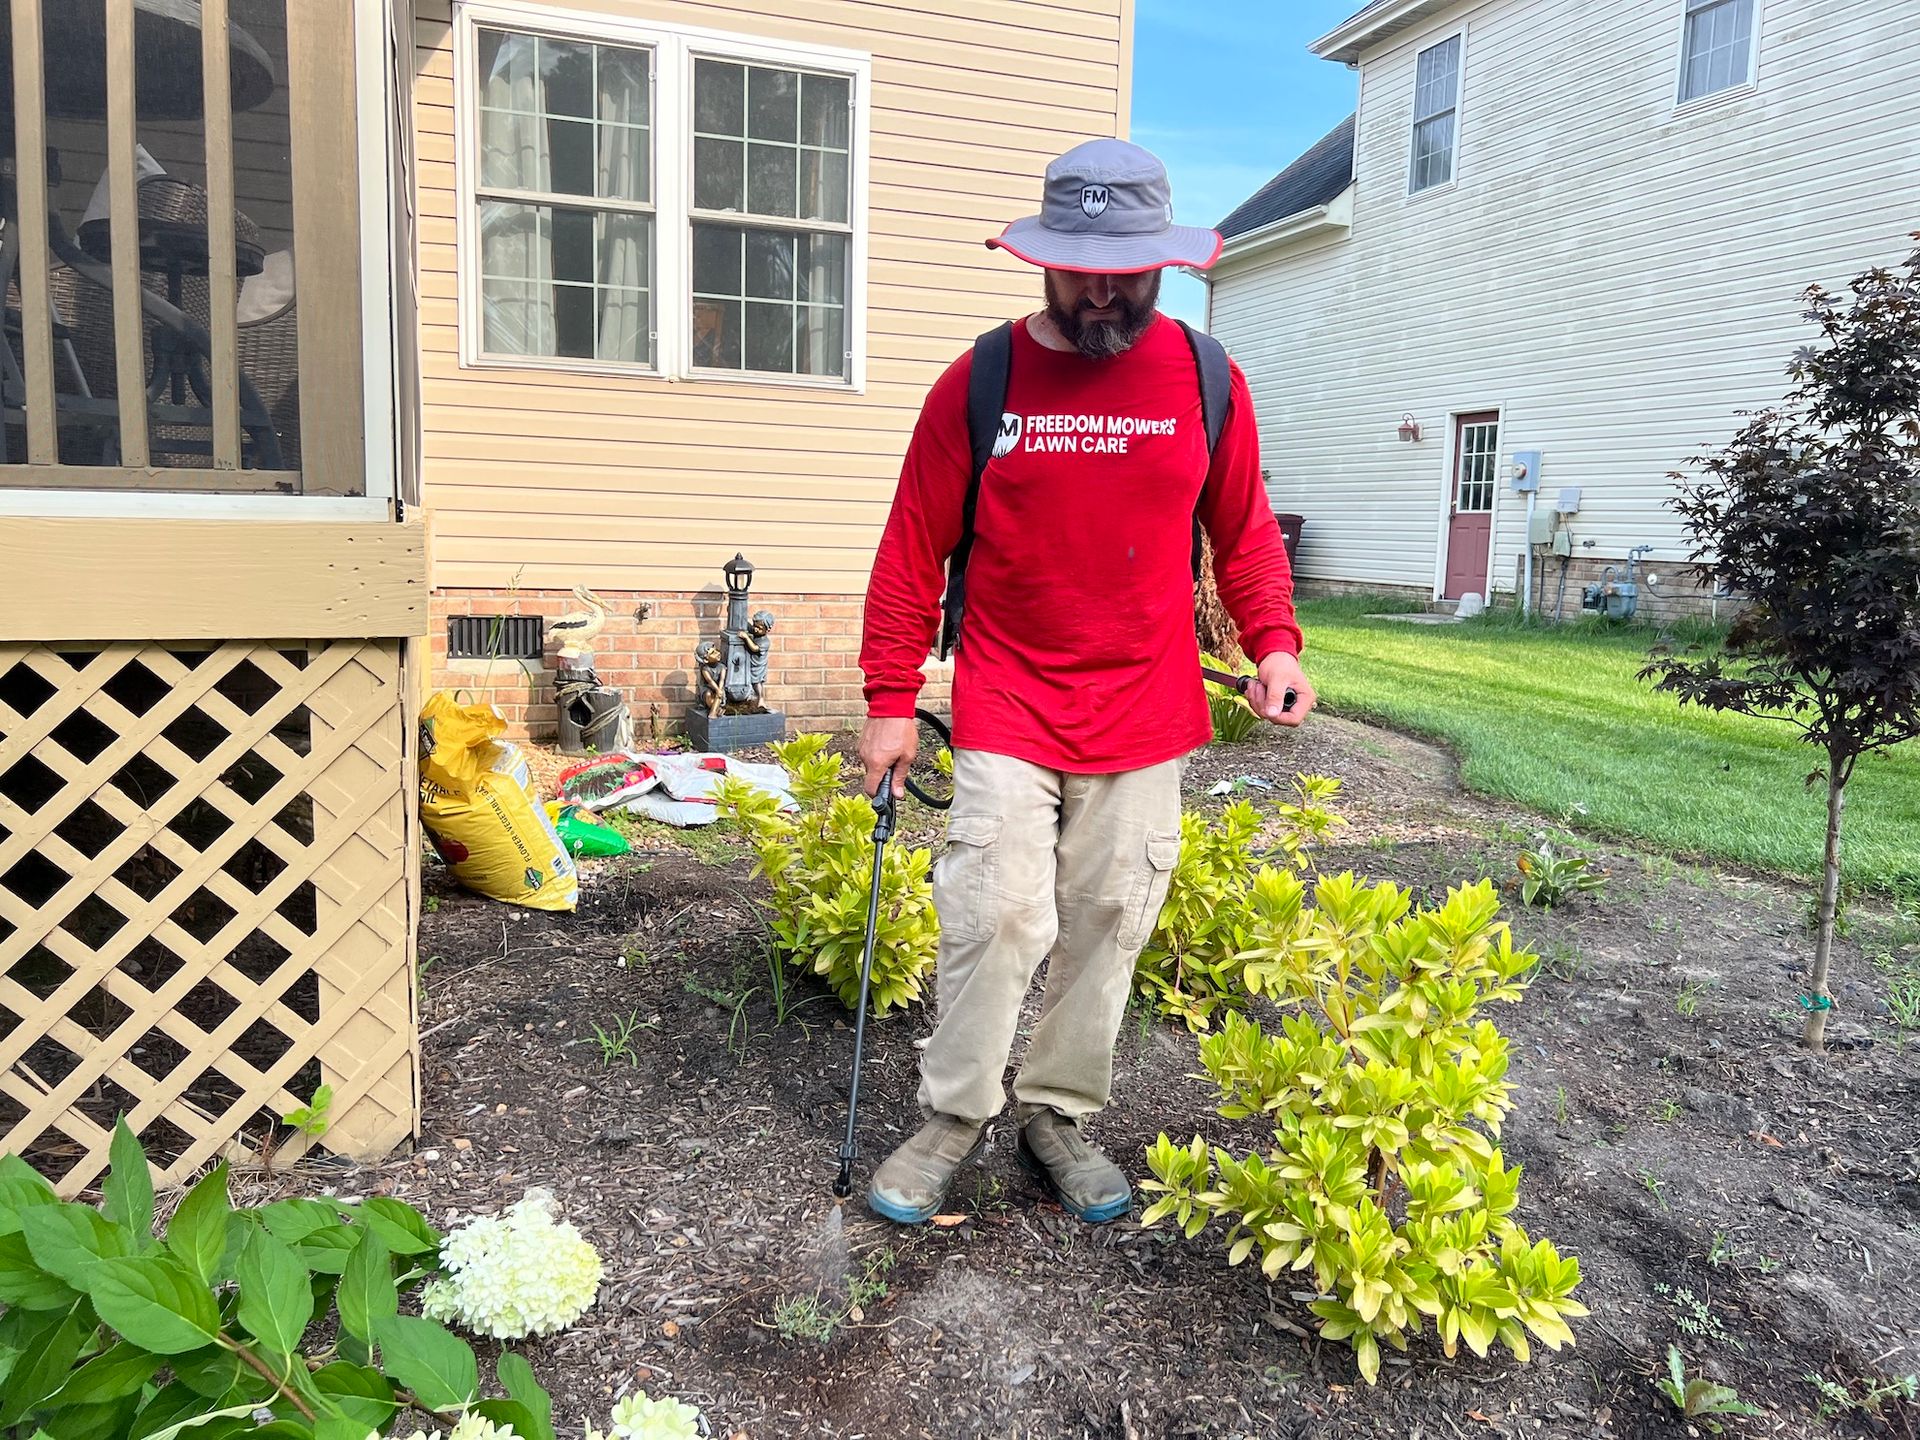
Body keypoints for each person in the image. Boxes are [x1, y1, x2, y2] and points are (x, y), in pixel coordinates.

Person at [856, 138, 1314, 1226]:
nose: (1105, 291)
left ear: (1162, 260)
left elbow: (1243, 530)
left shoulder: (1208, 379)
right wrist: (888, 698)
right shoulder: (983, 380)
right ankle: (954, 1117)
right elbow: (912, 549)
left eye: (1127, 270)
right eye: (1083, 269)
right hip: (1009, 696)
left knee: (1112, 913)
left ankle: (1055, 1112)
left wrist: (1276, 643)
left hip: (1146, 705)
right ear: (1044, 261)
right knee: (999, 912)